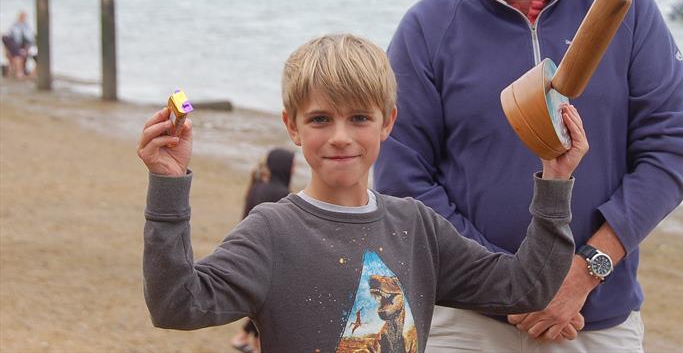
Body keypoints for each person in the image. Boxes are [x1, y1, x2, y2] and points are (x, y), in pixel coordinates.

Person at [374, 0, 683, 352]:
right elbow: (402, 178)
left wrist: (584, 273)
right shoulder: (426, 29)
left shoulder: (625, 9)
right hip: (468, 321)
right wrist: (510, 283)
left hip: (597, 318)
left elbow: (668, 152)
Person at [136, 33, 589, 352]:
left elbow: (526, 288)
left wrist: (554, 182)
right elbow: (177, 304)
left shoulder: (417, 228)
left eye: (359, 118)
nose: (339, 137)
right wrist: (169, 186)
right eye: (319, 119)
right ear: (291, 126)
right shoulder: (271, 233)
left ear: (387, 122)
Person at [230, 147, 295, 353]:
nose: (293, 170)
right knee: (268, 303)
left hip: (250, 249)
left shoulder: (258, 186)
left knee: (262, 302)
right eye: (292, 166)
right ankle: (245, 338)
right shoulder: (281, 194)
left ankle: (249, 340)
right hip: (269, 256)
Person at [2, 11, 35, 79]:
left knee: (20, 54)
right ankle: (19, 73)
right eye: (22, 17)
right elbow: (10, 38)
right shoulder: (14, 27)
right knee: (17, 55)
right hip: (15, 47)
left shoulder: (26, 26)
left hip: (21, 46)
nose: (24, 18)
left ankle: (19, 72)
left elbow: (30, 39)